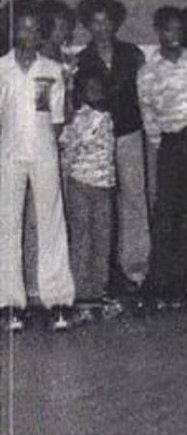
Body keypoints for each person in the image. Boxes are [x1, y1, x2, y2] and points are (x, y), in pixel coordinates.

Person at [136, 5, 187, 307]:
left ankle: (184, 281)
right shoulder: (148, 72)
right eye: (168, 29)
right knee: (165, 212)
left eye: (178, 30)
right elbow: (148, 112)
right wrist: (162, 143)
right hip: (170, 143)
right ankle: (159, 278)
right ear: (158, 32)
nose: (174, 36)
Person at [0, 0, 75, 331]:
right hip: (8, 153)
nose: (28, 34)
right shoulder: (1, 69)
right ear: (12, 29)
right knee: (7, 225)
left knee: (51, 222)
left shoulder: (53, 70)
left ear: (42, 32)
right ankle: (10, 304)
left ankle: (57, 300)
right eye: (22, 27)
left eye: (34, 28)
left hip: (44, 152)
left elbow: (57, 119)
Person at [75, 0, 149, 294]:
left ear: (115, 23)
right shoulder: (82, 60)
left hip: (129, 133)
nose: (102, 28)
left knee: (134, 199)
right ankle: (103, 272)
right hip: (97, 142)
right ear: (87, 26)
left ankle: (136, 268)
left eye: (107, 22)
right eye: (95, 23)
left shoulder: (132, 54)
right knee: (101, 206)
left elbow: (145, 95)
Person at [59, 70, 117, 322]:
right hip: (81, 184)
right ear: (81, 93)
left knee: (103, 239)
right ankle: (80, 294)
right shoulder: (78, 118)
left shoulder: (109, 117)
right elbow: (67, 148)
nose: (96, 92)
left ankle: (98, 290)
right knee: (82, 239)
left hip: (105, 186)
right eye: (89, 89)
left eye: (99, 88)